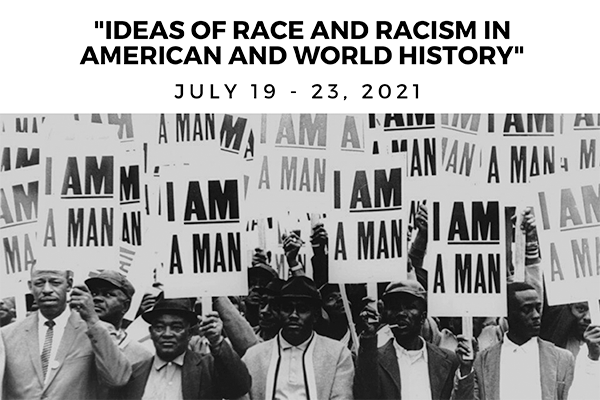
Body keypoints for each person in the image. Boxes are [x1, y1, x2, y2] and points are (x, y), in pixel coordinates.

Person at [0, 267, 132, 400]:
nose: (47, 290)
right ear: (30, 286)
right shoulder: (7, 335)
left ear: (69, 284)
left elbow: (117, 379)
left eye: (55, 282)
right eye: (39, 283)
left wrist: (92, 320)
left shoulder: (97, 330)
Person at [454, 282, 575, 400]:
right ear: (507, 313)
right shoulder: (483, 361)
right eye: (527, 309)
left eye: (538, 308)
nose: (536, 315)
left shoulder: (562, 359)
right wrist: (466, 370)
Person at [243, 276, 354, 399]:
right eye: (287, 309)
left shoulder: (337, 354)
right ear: (279, 312)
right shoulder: (254, 356)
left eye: (302, 309)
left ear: (315, 315)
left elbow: (342, 396)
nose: (294, 315)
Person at [355, 280, 468, 400]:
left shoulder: (449, 361)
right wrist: (369, 336)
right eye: (394, 307)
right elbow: (365, 395)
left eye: (410, 307)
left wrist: (466, 369)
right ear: (386, 316)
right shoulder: (373, 359)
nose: (401, 313)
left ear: (423, 316)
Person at [120, 297, 251, 400]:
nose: (167, 334)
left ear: (189, 334)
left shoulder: (208, 367)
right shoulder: (135, 372)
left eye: (176, 327)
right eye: (159, 327)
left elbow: (239, 387)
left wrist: (217, 342)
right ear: (151, 332)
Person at [85, 270, 153, 400]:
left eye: (108, 294)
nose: (97, 298)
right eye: (94, 293)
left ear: (125, 306)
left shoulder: (141, 354)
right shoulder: (73, 339)